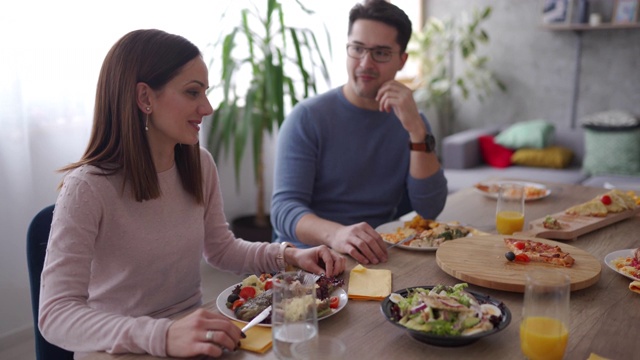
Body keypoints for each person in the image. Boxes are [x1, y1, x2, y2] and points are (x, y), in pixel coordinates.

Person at [38, 29, 346, 359]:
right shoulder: (87, 187)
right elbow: (56, 315)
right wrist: (163, 334)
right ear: (145, 98)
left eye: (205, 92)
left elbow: (219, 249)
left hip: (190, 336)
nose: (208, 108)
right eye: (192, 92)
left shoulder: (199, 164)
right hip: (118, 347)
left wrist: (289, 256)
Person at [271, 0, 448, 265]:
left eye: (381, 53)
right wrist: (338, 234)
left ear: (402, 60)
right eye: (357, 49)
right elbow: (284, 210)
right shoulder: (307, 117)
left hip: (376, 256)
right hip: (309, 259)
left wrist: (417, 131)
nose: (366, 63)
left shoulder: (412, 122)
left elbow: (429, 209)